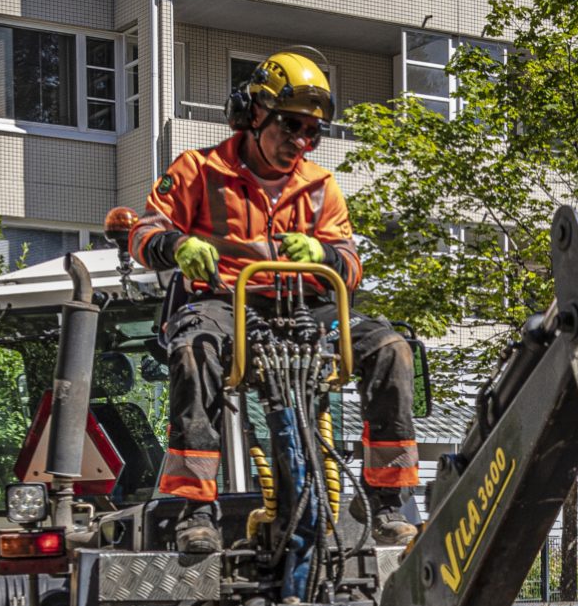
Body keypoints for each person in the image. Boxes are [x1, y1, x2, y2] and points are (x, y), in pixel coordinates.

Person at [129, 50, 419, 553]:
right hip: (224, 303)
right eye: (291, 125)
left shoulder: (320, 188)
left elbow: (349, 266)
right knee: (194, 350)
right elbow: (144, 233)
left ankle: (384, 499)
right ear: (254, 113)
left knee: (391, 347)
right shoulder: (199, 170)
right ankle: (197, 510)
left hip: (301, 307)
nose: (301, 141)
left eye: (313, 132)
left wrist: (323, 252)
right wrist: (178, 245)